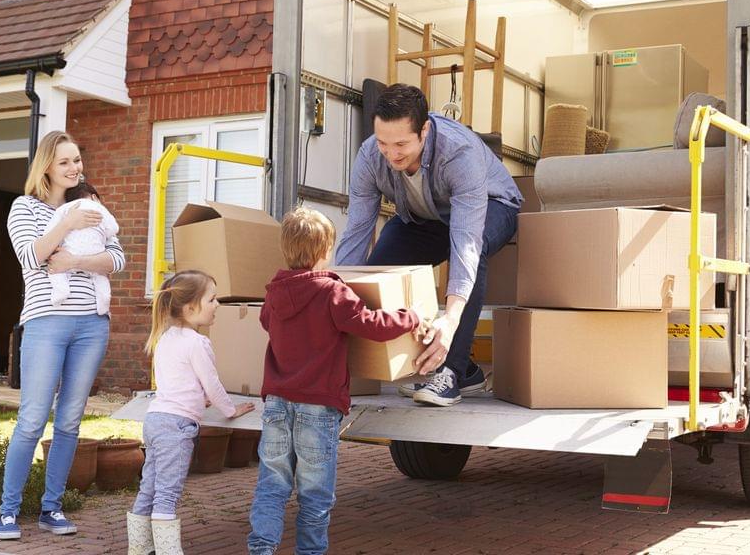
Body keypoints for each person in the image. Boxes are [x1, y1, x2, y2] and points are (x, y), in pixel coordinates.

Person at [248, 207, 428, 555]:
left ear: (285, 248)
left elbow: (267, 322)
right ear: (325, 250)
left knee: (271, 486)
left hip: (276, 405)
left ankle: (260, 549)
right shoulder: (332, 291)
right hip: (318, 406)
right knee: (314, 496)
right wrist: (413, 315)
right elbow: (373, 324)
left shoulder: (275, 291)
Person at [335, 83, 522, 407]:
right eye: (383, 143)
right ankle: (457, 369)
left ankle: (450, 371)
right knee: (378, 269)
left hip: (493, 206)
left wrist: (448, 321)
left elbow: (465, 244)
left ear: (424, 130)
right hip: (426, 218)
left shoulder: (458, 153)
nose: (391, 154)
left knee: (471, 254)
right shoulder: (369, 156)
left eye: (401, 144)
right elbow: (357, 232)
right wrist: (333, 297)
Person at [0, 131, 125, 540]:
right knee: (32, 419)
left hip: (92, 325)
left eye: (78, 160)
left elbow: (117, 257)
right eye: (66, 161)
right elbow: (33, 258)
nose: (75, 168)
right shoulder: (24, 208)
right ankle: (8, 512)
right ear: (47, 166)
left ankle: (51, 508)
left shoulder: (90, 205)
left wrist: (75, 259)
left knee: (69, 420)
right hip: (46, 323)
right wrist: (66, 222)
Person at [127, 270, 255, 555]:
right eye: (212, 299)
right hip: (177, 427)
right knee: (168, 494)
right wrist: (231, 409)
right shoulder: (197, 343)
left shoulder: (165, 338)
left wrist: (198, 400)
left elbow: (178, 383)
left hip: (156, 419)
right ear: (190, 308)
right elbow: (212, 384)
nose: (217, 305)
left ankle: (139, 548)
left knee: (150, 486)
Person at [43, 181, 119, 310]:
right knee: (100, 276)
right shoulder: (100, 209)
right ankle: (104, 301)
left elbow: (49, 231)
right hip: (95, 256)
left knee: (56, 272)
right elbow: (113, 229)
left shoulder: (64, 209)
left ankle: (61, 291)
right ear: (95, 197)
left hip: (69, 253)